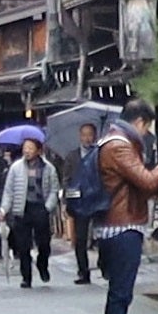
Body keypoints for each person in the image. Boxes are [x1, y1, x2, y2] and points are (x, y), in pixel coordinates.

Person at [94, 101, 158, 314]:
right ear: (140, 121)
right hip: (122, 225)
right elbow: (147, 182)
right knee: (120, 293)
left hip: (120, 223)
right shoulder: (119, 145)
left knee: (120, 292)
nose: (147, 132)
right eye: (147, 127)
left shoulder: (115, 141)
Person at [0, 137, 61, 288]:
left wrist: (48, 207)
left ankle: (42, 264)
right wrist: (4, 209)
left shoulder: (48, 168)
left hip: (40, 208)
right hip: (22, 208)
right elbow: (9, 191)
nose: (27, 151)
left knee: (44, 243)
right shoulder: (16, 168)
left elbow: (54, 190)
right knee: (23, 245)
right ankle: (26, 277)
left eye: (30, 148)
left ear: (38, 151)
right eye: (25, 148)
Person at [65, 122, 107, 285]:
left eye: (90, 135)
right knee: (80, 239)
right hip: (80, 202)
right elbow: (67, 180)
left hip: (98, 200)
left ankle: (104, 264)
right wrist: (68, 200)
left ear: (95, 136)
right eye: (84, 135)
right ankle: (83, 271)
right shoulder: (72, 156)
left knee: (103, 236)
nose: (87, 138)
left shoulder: (101, 155)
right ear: (80, 136)